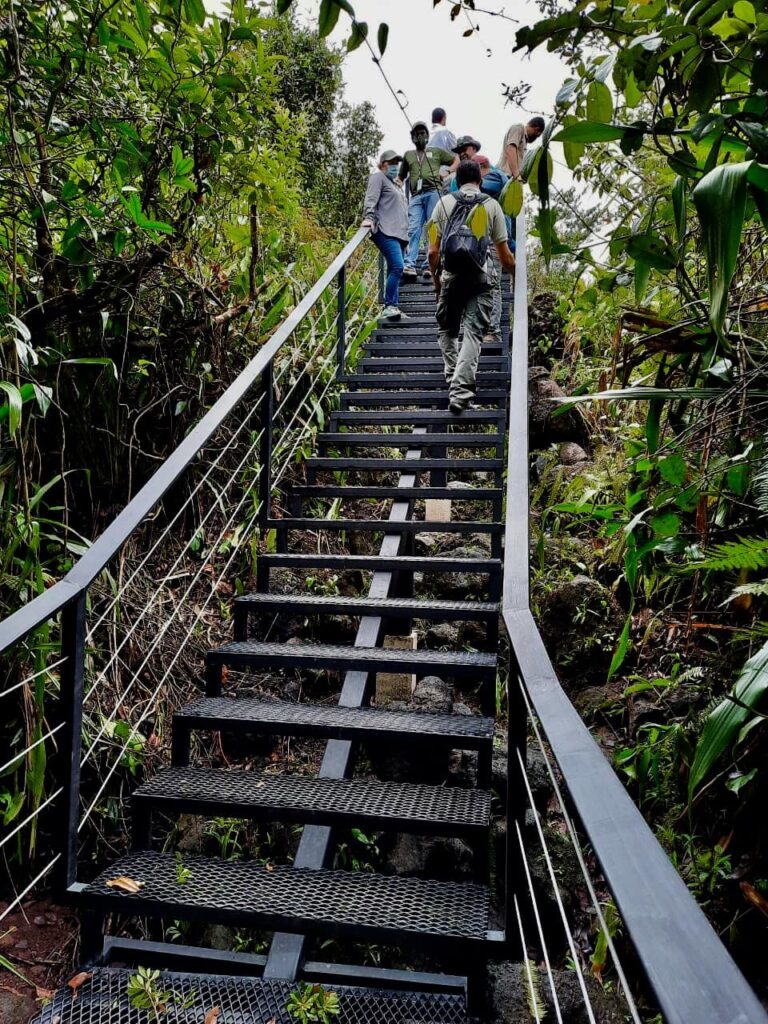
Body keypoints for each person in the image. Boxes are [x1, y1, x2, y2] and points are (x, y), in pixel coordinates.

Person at [428, 160, 516, 414]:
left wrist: (436, 282)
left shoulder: (443, 203)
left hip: (451, 276)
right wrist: (517, 279)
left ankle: (452, 377)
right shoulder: (492, 205)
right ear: (480, 180)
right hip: (481, 278)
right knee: (473, 334)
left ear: (457, 181)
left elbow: (433, 252)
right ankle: (460, 390)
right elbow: (505, 256)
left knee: (447, 329)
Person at [398, 122, 458, 280]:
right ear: (412, 137)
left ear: (427, 135)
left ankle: (428, 265)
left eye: (422, 133)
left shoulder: (436, 152)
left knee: (432, 228)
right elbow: (400, 177)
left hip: (433, 192)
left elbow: (456, 160)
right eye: (416, 134)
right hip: (416, 195)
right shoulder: (408, 155)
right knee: (413, 228)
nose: (420, 136)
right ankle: (409, 265)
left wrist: (447, 172)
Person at [362, 149, 409, 320]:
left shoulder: (396, 185)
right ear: (383, 165)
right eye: (392, 163)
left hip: (400, 234)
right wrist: (369, 217)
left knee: (394, 269)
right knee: (398, 266)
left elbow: (402, 211)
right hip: (385, 230)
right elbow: (371, 198)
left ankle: (393, 306)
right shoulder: (378, 178)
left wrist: (407, 238)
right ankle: (389, 305)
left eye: (397, 163)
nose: (395, 167)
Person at [472, 155, 510, 345]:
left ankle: (493, 330)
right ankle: (482, 329)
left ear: (482, 168)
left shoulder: (494, 178)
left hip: (493, 241)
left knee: (492, 286)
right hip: (479, 241)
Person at [497, 115, 545, 179]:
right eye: (537, 135)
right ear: (536, 129)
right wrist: (517, 175)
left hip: (510, 178)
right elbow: (511, 150)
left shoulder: (524, 139)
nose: (535, 138)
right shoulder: (518, 128)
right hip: (504, 175)